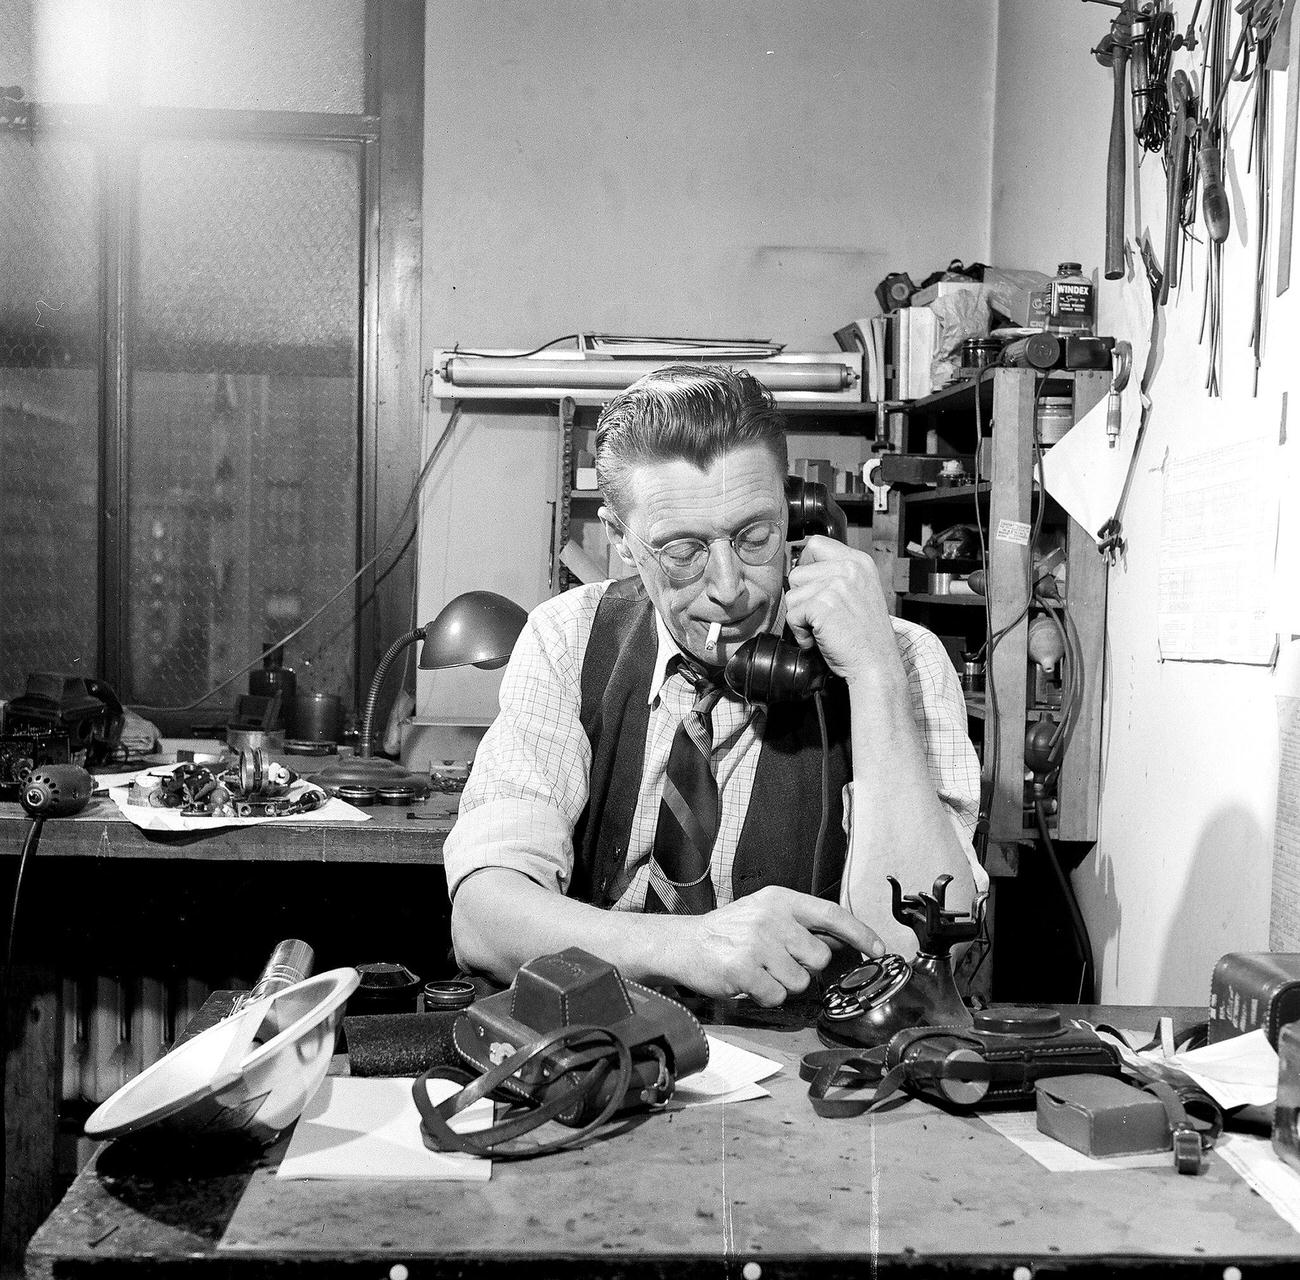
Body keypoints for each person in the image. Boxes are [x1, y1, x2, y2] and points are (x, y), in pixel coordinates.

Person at [443, 364, 985, 1006]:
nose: (729, 588)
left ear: (795, 511)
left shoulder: (904, 660)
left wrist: (873, 677)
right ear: (619, 538)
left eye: (756, 536)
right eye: (682, 552)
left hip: (810, 1064)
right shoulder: (568, 638)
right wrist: (693, 947)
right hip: (613, 1052)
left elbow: (917, 951)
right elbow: (483, 918)